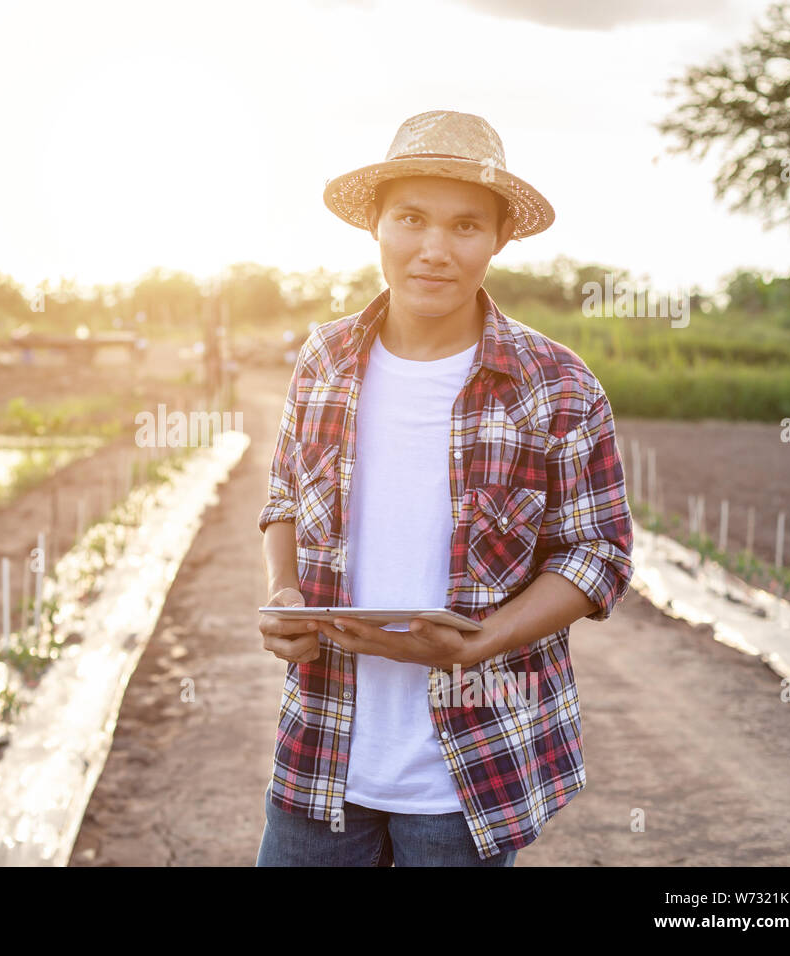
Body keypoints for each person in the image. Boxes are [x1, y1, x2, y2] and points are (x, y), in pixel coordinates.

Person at [255, 110, 634, 867]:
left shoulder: (555, 383)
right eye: (412, 219)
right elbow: (284, 498)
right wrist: (285, 593)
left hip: (468, 774)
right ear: (377, 226)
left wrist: (474, 645)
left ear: (498, 239)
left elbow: (599, 554)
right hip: (323, 756)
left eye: (465, 226)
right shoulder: (325, 356)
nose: (434, 250)